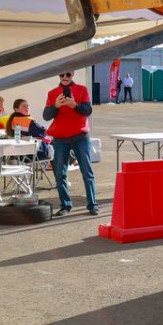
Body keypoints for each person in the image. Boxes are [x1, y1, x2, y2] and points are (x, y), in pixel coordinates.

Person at [44, 71, 98, 216]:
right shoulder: (52, 93)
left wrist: (74, 105)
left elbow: (87, 111)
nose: (65, 77)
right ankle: (65, 206)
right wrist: (55, 105)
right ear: (58, 76)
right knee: (60, 173)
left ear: (73, 74)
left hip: (80, 136)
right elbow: (46, 115)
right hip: (61, 138)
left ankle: (92, 205)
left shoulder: (82, 89)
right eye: (61, 75)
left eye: (68, 74)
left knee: (87, 171)